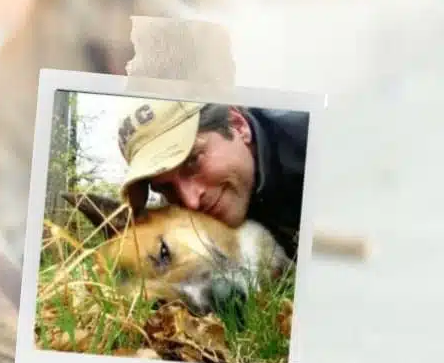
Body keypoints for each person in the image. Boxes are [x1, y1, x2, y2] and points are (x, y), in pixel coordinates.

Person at [114, 99, 310, 259]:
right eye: (165, 187)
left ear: (238, 125)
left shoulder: (316, 143)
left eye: (193, 162)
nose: (191, 201)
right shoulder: (181, 216)